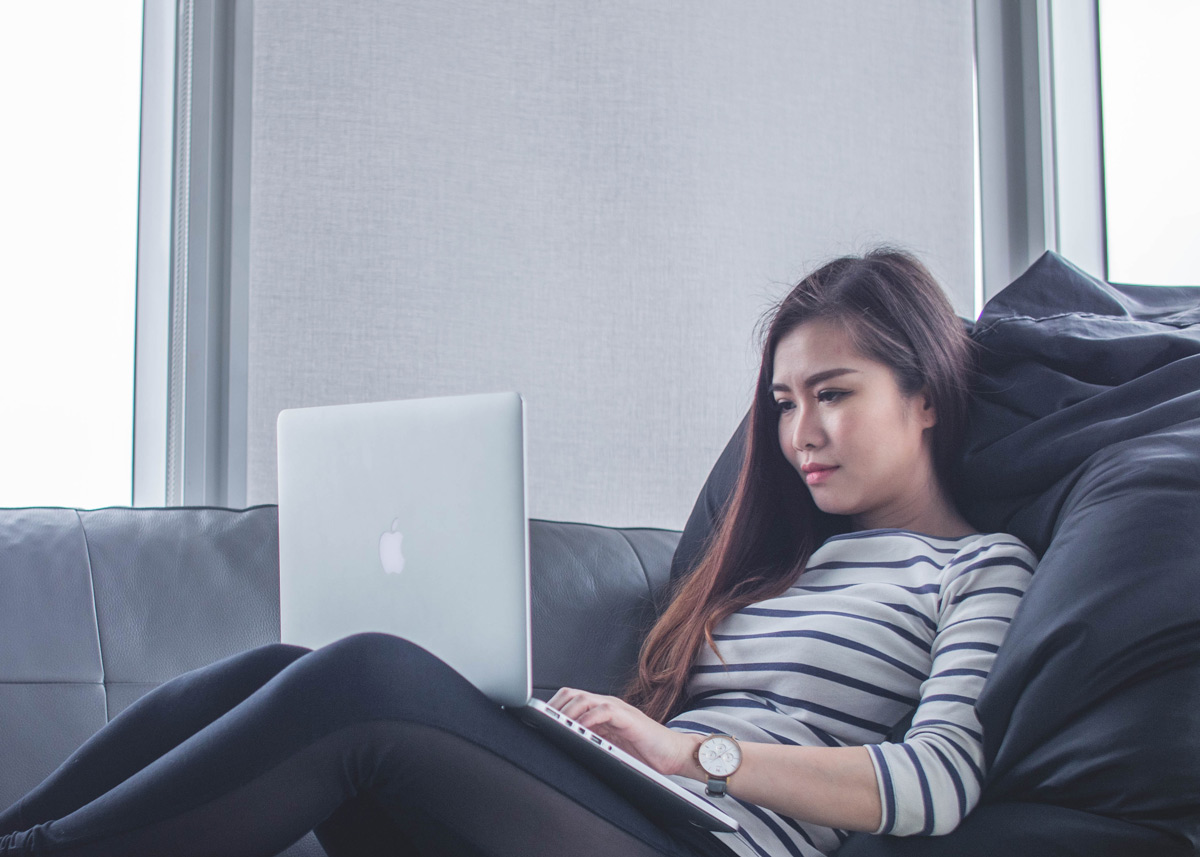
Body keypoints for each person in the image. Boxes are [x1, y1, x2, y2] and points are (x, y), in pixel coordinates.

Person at [0, 248, 1037, 857]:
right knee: (295, 666)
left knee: (370, 675)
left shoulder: (978, 568)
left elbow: (938, 780)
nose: (799, 430)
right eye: (780, 402)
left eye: (833, 394)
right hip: (636, 808)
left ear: (927, 395)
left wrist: (694, 751)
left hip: (716, 845)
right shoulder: (785, 563)